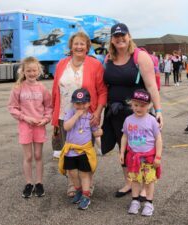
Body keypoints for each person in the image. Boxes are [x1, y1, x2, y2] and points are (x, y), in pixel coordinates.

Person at [101, 23, 163, 198]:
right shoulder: (108, 59)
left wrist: (158, 110)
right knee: (123, 149)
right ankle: (129, 182)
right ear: (112, 39)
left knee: (141, 149)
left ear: (129, 36)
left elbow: (151, 85)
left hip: (137, 112)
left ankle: (144, 186)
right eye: (116, 36)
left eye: (123, 35)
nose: (120, 39)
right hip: (115, 112)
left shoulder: (140, 57)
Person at [51, 31, 107, 197]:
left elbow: (102, 91)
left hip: (86, 117)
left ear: (87, 47)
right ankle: (72, 184)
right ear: (71, 46)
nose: (79, 46)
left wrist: (97, 113)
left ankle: (88, 184)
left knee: (85, 153)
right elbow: (55, 91)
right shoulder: (62, 64)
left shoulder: (94, 64)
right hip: (64, 116)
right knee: (68, 151)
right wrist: (54, 117)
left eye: (82, 44)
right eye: (76, 43)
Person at [8, 56, 52, 198]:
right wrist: (25, 118)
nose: (32, 73)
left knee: (38, 155)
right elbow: (12, 108)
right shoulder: (18, 88)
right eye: (28, 71)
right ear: (23, 72)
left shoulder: (43, 88)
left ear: (39, 71)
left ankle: (39, 183)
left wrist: (46, 119)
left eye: (34, 70)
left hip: (39, 126)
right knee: (28, 156)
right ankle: (29, 183)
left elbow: (49, 107)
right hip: (25, 126)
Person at [119, 89, 162, 216]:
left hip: (149, 158)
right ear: (131, 104)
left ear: (149, 106)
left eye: (142, 105)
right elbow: (124, 137)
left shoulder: (152, 120)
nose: (138, 108)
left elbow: (158, 139)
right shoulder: (128, 120)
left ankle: (149, 203)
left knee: (149, 182)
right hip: (133, 158)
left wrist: (158, 156)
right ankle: (135, 201)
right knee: (135, 181)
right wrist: (122, 153)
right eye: (135, 105)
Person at [58, 88, 103, 210]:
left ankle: (86, 195)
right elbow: (66, 127)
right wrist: (76, 115)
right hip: (71, 150)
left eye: (84, 103)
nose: (81, 106)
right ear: (73, 103)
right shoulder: (70, 113)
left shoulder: (90, 117)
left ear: (88, 103)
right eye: (78, 103)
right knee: (72, 173)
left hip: (84, 151)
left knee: (84, 174)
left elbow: (95, 133)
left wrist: (101, 132)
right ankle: (78, 191)